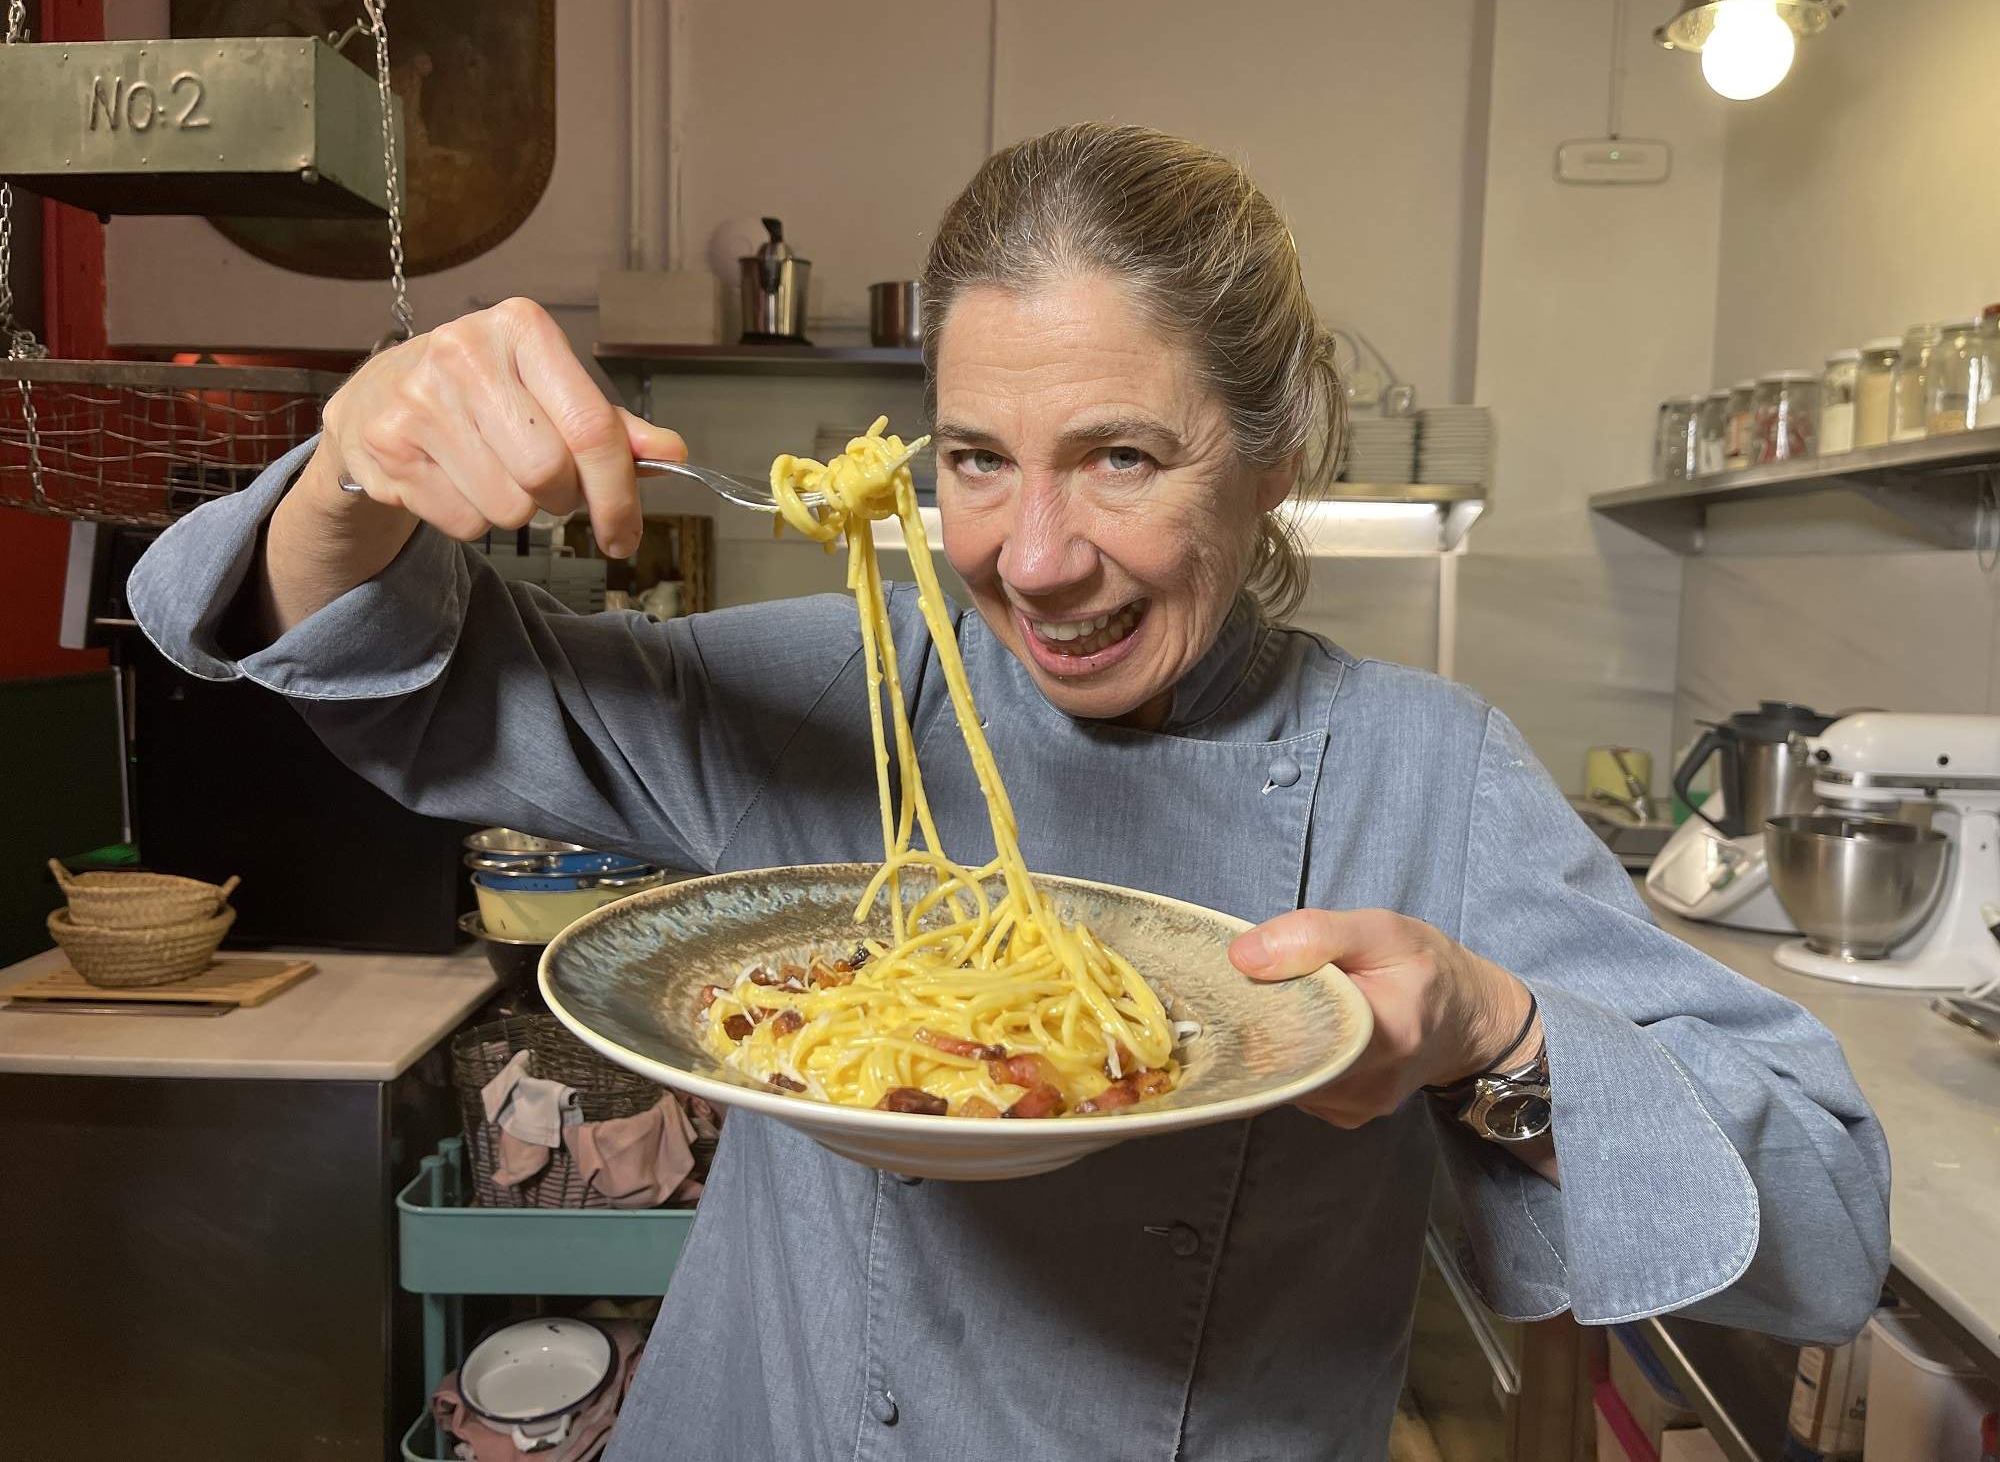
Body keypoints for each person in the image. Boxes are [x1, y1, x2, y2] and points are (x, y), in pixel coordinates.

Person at [130, 123, 1889, 1461]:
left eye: (1121, 456)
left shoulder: (1420, 772)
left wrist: (1492, 1033)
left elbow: (1822, 1230)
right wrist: (352, 476)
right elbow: (402, 672)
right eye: (975, 459)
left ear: (1276, 456)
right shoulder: (852, 693)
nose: (1032, 559)